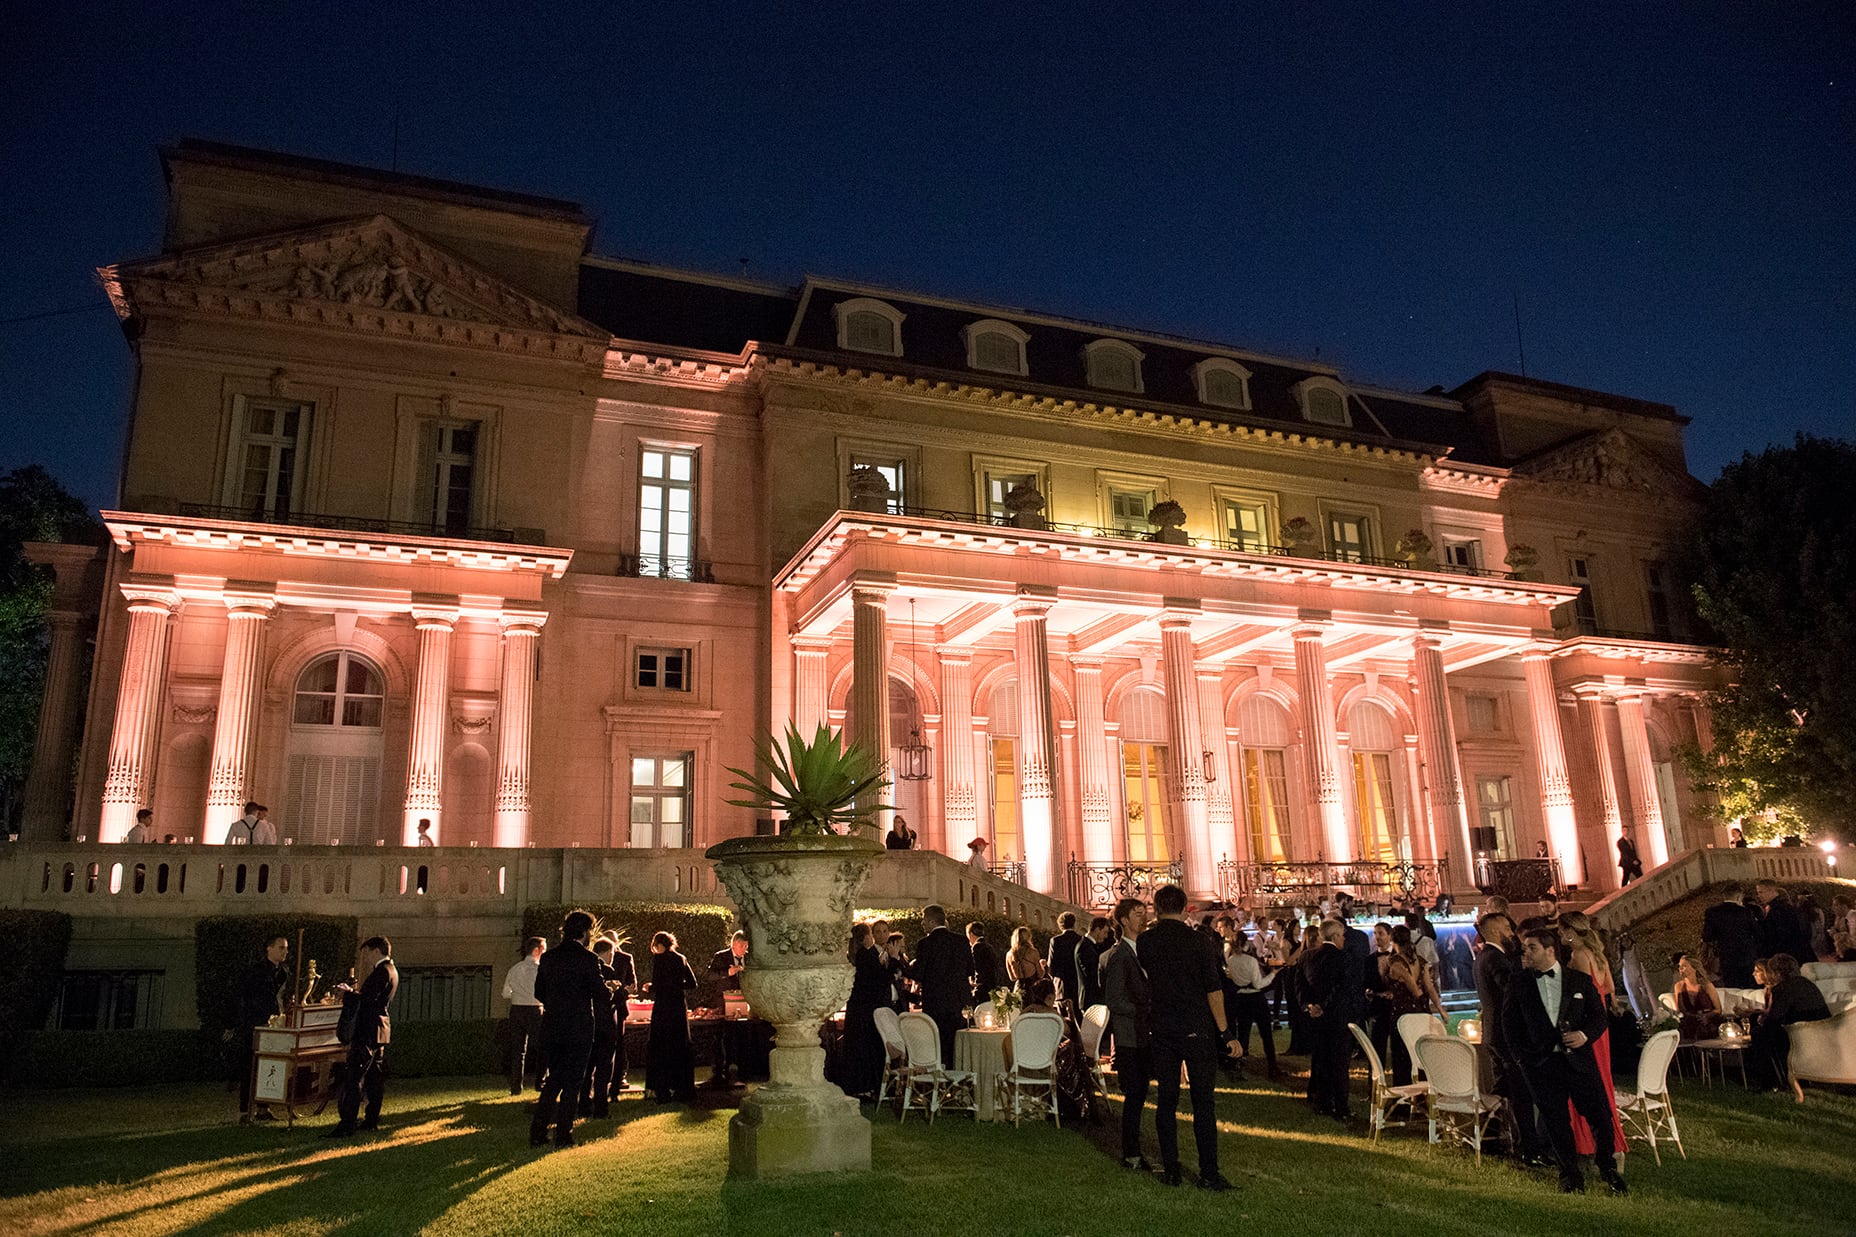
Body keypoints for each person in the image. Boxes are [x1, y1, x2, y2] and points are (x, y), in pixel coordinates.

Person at [1505, 928, 1626, 1195]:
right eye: (1525, 948)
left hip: (1579, 1062)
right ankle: (1570, 1175)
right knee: (1556, 1121)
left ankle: (1607, 1167)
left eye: (1532, 947)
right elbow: (1509, 1023)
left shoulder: (1579, 981)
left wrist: (1584, 1035)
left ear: (1550, 951)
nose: (1526, 952)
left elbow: (1599, 1017)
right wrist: (1522, 1058)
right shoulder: (1519, 982)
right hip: (1541, 1064)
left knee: (1600, 1117)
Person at [1138, 884, 1232, 1191]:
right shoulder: (1198, 941)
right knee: (1203, 1102)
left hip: (1163, 1026)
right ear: (1183, 908)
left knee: (1167, 1100)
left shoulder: (1146, 941)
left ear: (1156, 908)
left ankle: (1172, 1169)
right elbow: (1213, 989)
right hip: (1196, 1026)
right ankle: (1208, 1172)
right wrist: (1225, 1032)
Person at [1474, 912, 1544, 1164]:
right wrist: (1524, 970)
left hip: (1494, 1032)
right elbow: (1509, 988)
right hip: (1504, 1034)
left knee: (1502, 1087)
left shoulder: (1488, 956)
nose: (1511, 932)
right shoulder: (1494, 958)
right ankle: (1529, 1147)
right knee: (1519, 1090)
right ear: (1493, 931)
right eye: (1506, 927)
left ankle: (1491, 1137)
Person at [1557, 913, 1626, 1160]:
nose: (1558, 935)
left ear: (1570, 932)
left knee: (1585, 1081)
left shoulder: (1578, 957)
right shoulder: (1598, 956)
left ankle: (1587, 1139)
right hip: (1601, 1031)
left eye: (1560, 930)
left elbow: (1580, 993)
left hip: (1584, 1028)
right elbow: (1608, 989)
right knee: (1603, 1079)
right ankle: (1610, 1135)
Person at [530, 911, 601, 1146]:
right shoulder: (588, 959)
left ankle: (538, 1131)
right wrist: (613, 991)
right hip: (578, 1026)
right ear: (585, 932)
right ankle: (564, 1134)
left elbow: (539, 992)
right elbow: (599, 993)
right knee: (573, 1083)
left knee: (553, 1081)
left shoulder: (549, 958)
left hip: (553, 1026)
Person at [1099, 896, 1153, 1172]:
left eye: (1144, 912)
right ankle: (1131, 1153)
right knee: (1134, 1094)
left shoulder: (1141, 951)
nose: (1143, 918)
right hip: (1130, 1034)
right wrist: (1145, 1009)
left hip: (1142, 1033)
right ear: (1123, 920)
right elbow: (1115, 999)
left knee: (1140, 1092)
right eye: (1137, 913)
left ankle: (1135, 1149)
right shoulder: (1120, 955)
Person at [327, 935, 398, 1138]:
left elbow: (366, 1001)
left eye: (367, 952)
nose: (366, 958)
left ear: (376, 951)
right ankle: (371, 1119)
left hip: (367, 1030)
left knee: (354, 1076)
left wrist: (348, 993)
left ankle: (348, 1123)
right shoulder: (392, 971)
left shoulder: (381, 972)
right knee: (374, 1077)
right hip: (380, 1029)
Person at [1747, 953, 1832, 1099]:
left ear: (1776, 972)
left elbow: (1775, 1018)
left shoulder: (1782, 988)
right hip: (1822, 1031)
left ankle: (1770, 1082)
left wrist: (1761, 1025)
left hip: (1801, 1035)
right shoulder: (1807, 984)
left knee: (1759, 1035)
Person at [232, 933, 291, 1122]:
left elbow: (284, 996)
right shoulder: (255, 972)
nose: (285, 951)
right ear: (269, 948)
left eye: (286, 948)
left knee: (271, 1064)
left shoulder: (284, 972)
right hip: (255, 1024)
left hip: (275, 1025)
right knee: (250, 1066)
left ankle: (263, 1108)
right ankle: (245, 1109)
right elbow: (243, 997)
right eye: (281, 947)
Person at [908, 904, 973, 1065]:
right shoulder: (961, 941)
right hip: (959, 1002)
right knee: (958, 1044)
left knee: (938, 1045)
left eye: (924, 920)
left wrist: (901, 968)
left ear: (931, 921)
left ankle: (940, 1081)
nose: (922, 924)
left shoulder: (925, 944)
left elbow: (918, 975)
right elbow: (970, 969)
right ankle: (959, 1079)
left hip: (936, 1003)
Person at [1301, 920, 1352, 1123]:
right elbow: (1339, 987)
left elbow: (1301, 984)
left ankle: (1321, 1101)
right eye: (1341, 935)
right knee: (1339, 1063)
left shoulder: (1308, 956)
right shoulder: (1341, 958)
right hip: (1337, 1017)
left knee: (1321, 1060)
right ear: (1334, 936)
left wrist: (1309, 1005)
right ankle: (1341, 1105)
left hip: (1316, 1018)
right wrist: (1323, 1005)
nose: (1344, 938)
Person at [642, 931, 698, 1102]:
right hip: (679, 1008)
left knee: (660, 1047)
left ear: (659, 945)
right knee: (679, 1047)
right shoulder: (681, 958)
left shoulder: (660, 960)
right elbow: (692, 983)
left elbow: (658, 984)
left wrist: (650, 987)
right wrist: (676, 985)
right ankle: (683, 1088)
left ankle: (662, 1090)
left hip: (663, 1008)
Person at [1384, 924, 1443, 1085]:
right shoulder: (1421, 961)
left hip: (1403, 1014)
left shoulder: (1395, 962)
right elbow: (1430, 988)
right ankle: (1424, 1092)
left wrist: (1413, 989)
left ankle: (1406, 1094)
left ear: (1391, 939)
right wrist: (1441, 1010)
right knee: (1421, 1054)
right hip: (1423, 1012)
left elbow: (1414, 987)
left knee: (1403, 1055)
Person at [1223, 920, 1279, 1079]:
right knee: (1266, 1033)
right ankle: (1272, 1066)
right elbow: (1259, 983)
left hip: (1241, 998)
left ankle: (1239, 1064)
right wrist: (1273, 974)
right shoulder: (1251, 961)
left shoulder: (1232, 960)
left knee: (1243, 1033)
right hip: (1255, 998)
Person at [843, 922, 890, 1100]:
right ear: (865, 938)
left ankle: (861, 1085)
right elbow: (879, 980)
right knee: (865, 1048)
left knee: (859, 1047)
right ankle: (864, 1086)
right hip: (865, 1009)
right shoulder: (865, 956)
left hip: (858, 1009)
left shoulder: (857, 956)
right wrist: (891, 962)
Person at [580, 938, 626, 1117]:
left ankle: (583, 1103)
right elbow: (618, 999)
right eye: (612, 954)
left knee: (587, 1068)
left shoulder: (582, 971)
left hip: (588, 1025)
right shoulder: (607, 971)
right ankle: (601, 1106)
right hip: (606, 1024)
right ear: (607, 953)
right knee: (604, 1067)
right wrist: (619, 991)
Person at [502, 936, 546, 1095]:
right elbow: (545, 992)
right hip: (535, 1010)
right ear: (536, 950)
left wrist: (517, 994)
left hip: (517, 1010)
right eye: (543, 949)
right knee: (542, 1047)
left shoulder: (515, 969)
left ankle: (516, 1087)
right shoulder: (540, 969)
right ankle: (540, 1082)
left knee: (518, 1050)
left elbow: (505, 993)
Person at [1702, 885, 1760, 988]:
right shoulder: (1745, 912)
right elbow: (1757, 933)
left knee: (1732, 987)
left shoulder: (1712, 912)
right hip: (1747, 957)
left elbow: (1707, 936)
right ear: (1739, 897)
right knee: (1750, 987)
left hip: (1726, 958)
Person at [603, 933, 638, 1099]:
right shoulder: (595, 959)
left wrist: (624, 991)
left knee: (618, 1045)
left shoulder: (625, 958)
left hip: (619, 1006)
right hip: (607, 1005)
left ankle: (616, 1084)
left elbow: (632, 983)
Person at [1754, 880, 1814, 962]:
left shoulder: (1779, 909)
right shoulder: (1780, 907)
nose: (1759, 896)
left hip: (1788, 954)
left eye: (1761, 892)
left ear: (1771, 890)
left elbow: (1780, 934)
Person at [1671, 952, 1722, 1042]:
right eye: (1679, 966)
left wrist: (1706, 1016)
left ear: (1694, 968)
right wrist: (1694, 1017)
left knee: (1707, 1027)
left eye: (1684, 966)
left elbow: (1718, 1009)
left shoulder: (1706, 985)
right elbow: (1681, 1009)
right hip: (1690, 1020)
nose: (1680, 969)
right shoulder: (1678, 986)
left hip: (1708, 1018)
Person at [1046, 912, 1083, 1009]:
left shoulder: (1055, 940)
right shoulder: (1081, 939)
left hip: (1062, 983)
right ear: (1074, 924)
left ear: (1060, 925)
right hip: (1078, 982)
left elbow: (1051, 965)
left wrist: (1053, 978)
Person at [1076, 916, 1112, 1012]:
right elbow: (1093, 975)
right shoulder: (1086, 948)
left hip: (1091, 999)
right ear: (1097, 930)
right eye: (1105, 932)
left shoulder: (1087, 946)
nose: (1106, 936)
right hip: (1091, 999)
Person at [1007, 926, 1044, 995]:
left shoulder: (1009, 954)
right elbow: (1040, 974)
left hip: (1018, 989)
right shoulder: (1033, 952)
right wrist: (1042, 964)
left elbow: (1012, 978)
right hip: (1032, 988)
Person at [709, 929, 748, 996]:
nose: (744, 949)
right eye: (741, 946)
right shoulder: (721, 956)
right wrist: (728, 972)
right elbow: (710, 975)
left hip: (746, 998)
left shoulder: (750, 957)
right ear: (733, 945)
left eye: (746, 946)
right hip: (726, 998)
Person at [968, 922, 1001, 998]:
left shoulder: (976, 947)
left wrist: (975, 982)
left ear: (971, 934)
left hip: (982, 988)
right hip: (992, 986)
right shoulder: (989, 946)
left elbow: (977, 967)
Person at [882, 931, 911, 1012]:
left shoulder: (902, 960)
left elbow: (908, 972)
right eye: (900, 946)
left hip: (900, 1001)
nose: (903, 948)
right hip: (888, 1001)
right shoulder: (885, 959)